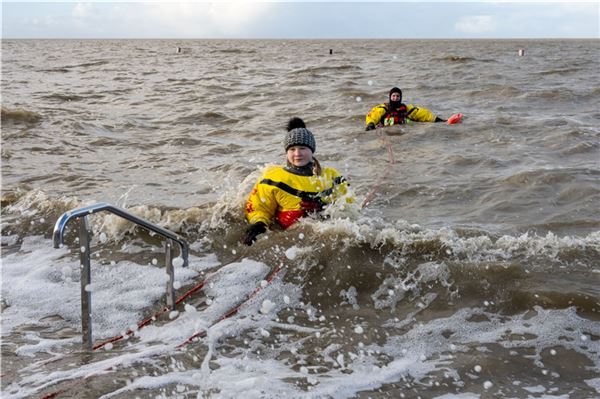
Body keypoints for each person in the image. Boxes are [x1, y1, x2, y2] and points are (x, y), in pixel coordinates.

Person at [243, 118, 352, 245]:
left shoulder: (332, 176)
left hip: (324, 236)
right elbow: (258, 208)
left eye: (302, 148)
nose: (297, 153)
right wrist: (259, 224)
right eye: (292, 149)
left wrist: (324, 207)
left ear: (312, 150)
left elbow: (350, 207)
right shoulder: (272, 178)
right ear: (286, 153)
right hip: (287, 237)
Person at [365, 87, 446, 130]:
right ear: (390, 97)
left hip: (403, 133)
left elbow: (423, 114)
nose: (395, 98)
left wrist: (438, 120)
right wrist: (371, 124)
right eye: (393, 96)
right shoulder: (384, 108)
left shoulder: (407, 109)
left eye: (397, 96)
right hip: (387, 133)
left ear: (400, 97)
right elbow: (373, 114)